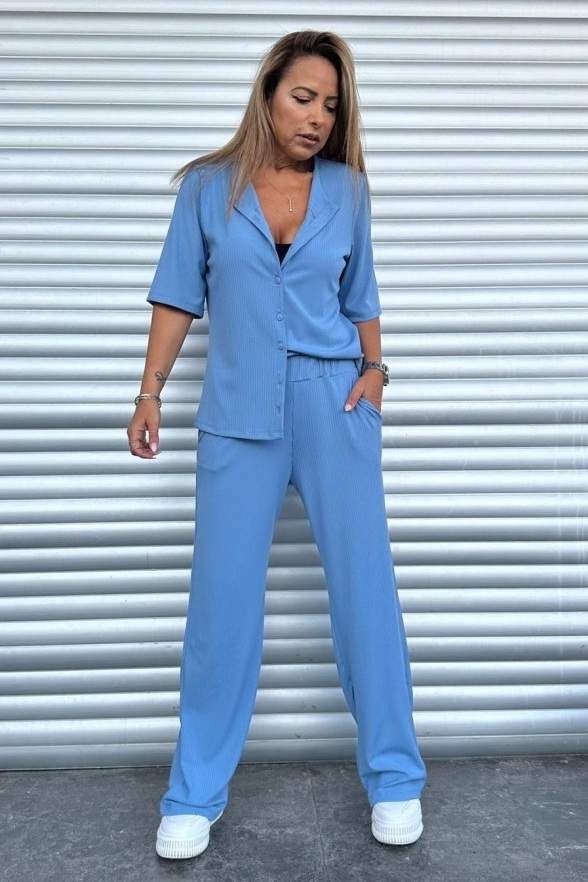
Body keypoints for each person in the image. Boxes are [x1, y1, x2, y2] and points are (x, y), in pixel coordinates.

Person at [127, 30, 426, 860]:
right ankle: (193, 792)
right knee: (220, 606)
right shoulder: (207, 189)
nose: (317, 117)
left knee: (366, 594)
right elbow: (176, 296)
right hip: (236, 412)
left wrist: (375, 372)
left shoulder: (349, 191)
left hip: (335, 405)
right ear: (267, 95)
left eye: (330, 105)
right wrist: (149, 392)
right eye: (303, 98)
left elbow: (361, 294)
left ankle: (395, 778)